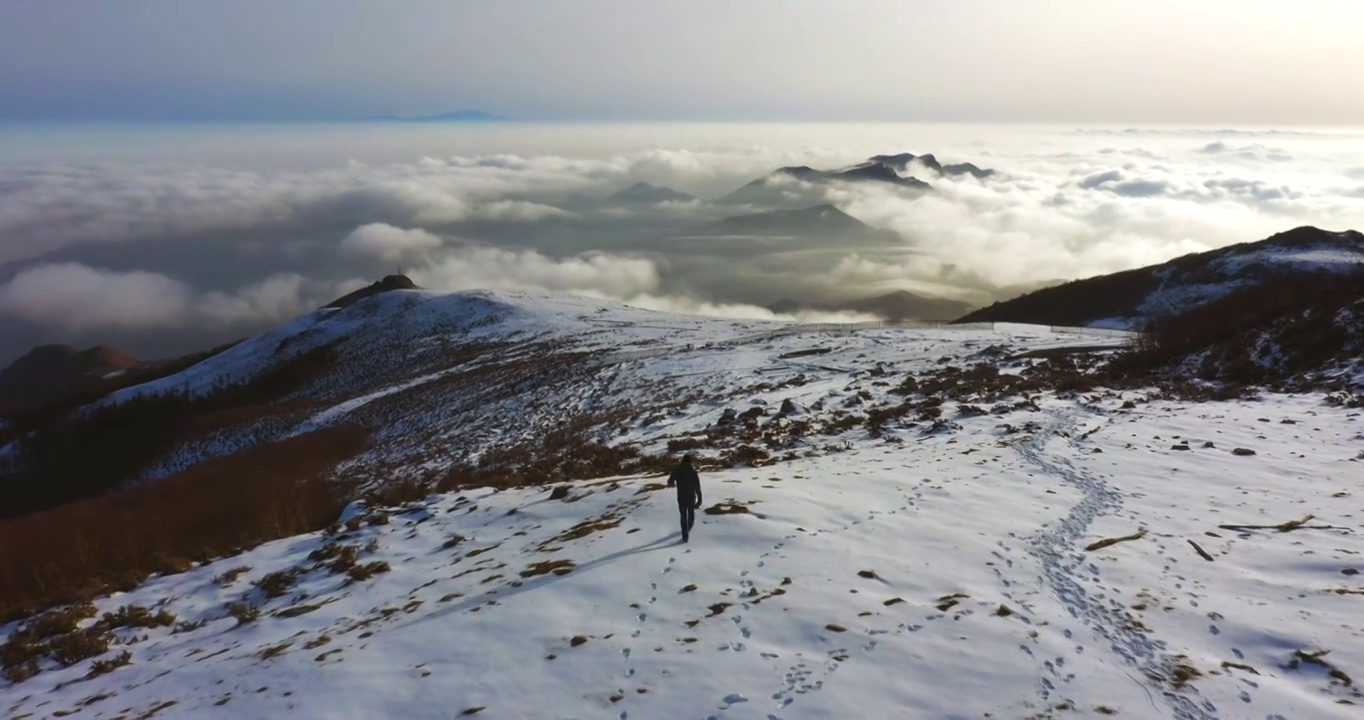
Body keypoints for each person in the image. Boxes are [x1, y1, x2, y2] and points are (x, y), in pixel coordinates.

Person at [669, 454, 702, 542]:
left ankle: (685, 536)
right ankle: (689, 526)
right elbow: (697, 487)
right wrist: (699, 499)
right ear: (690, 462)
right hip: (691, 496)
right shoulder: (693, 472)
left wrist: (673, 483)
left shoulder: (677, 470)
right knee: (691, 513)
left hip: (681, 496)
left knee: (683, 516)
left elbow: (670, 481)